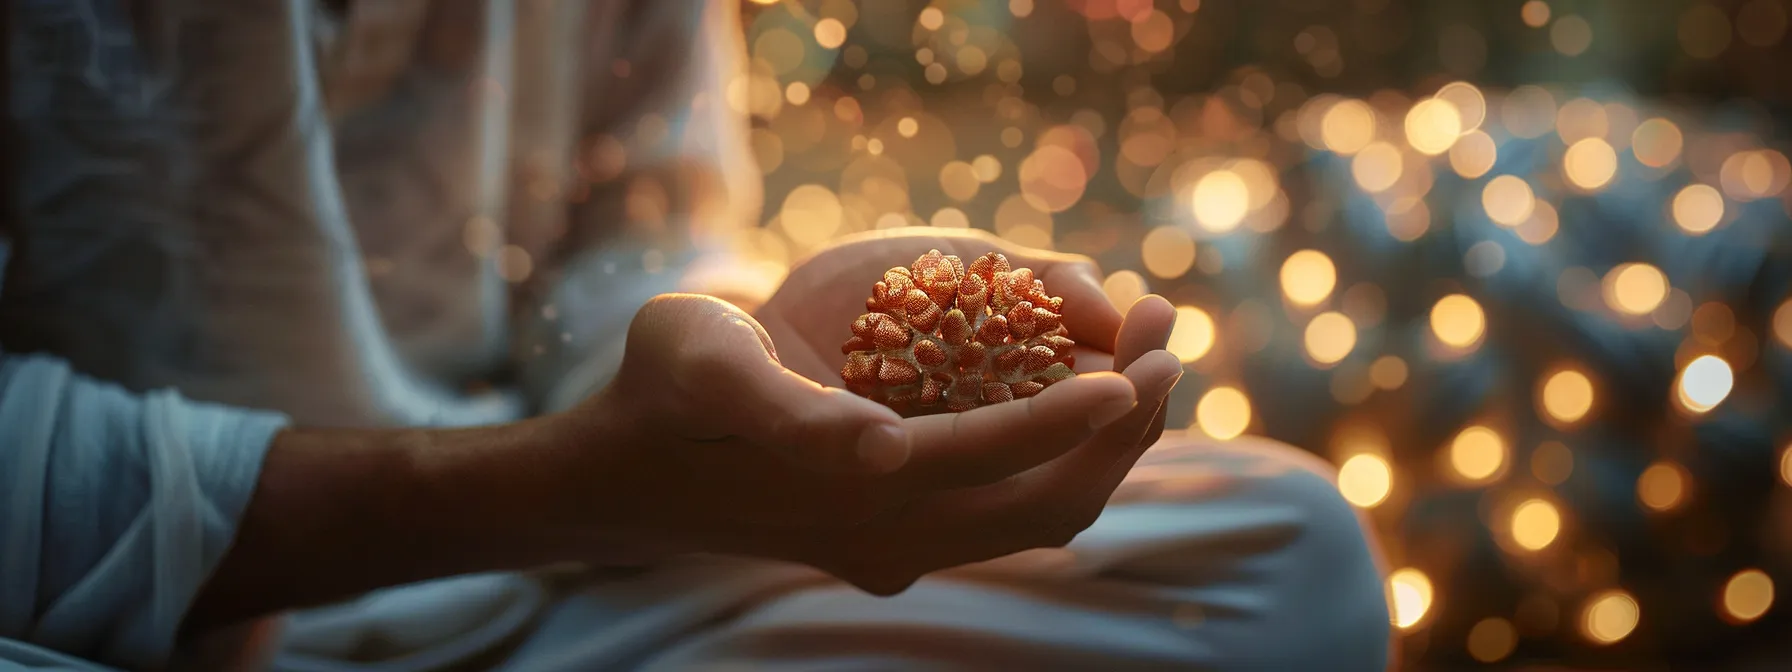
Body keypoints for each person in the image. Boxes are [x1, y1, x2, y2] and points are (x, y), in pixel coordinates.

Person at [0, 1, 1391, 670]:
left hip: (533, 560)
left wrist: (760, 359)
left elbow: (634, 250)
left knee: (1285, 557)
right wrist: (581, 483)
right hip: (112, 627)